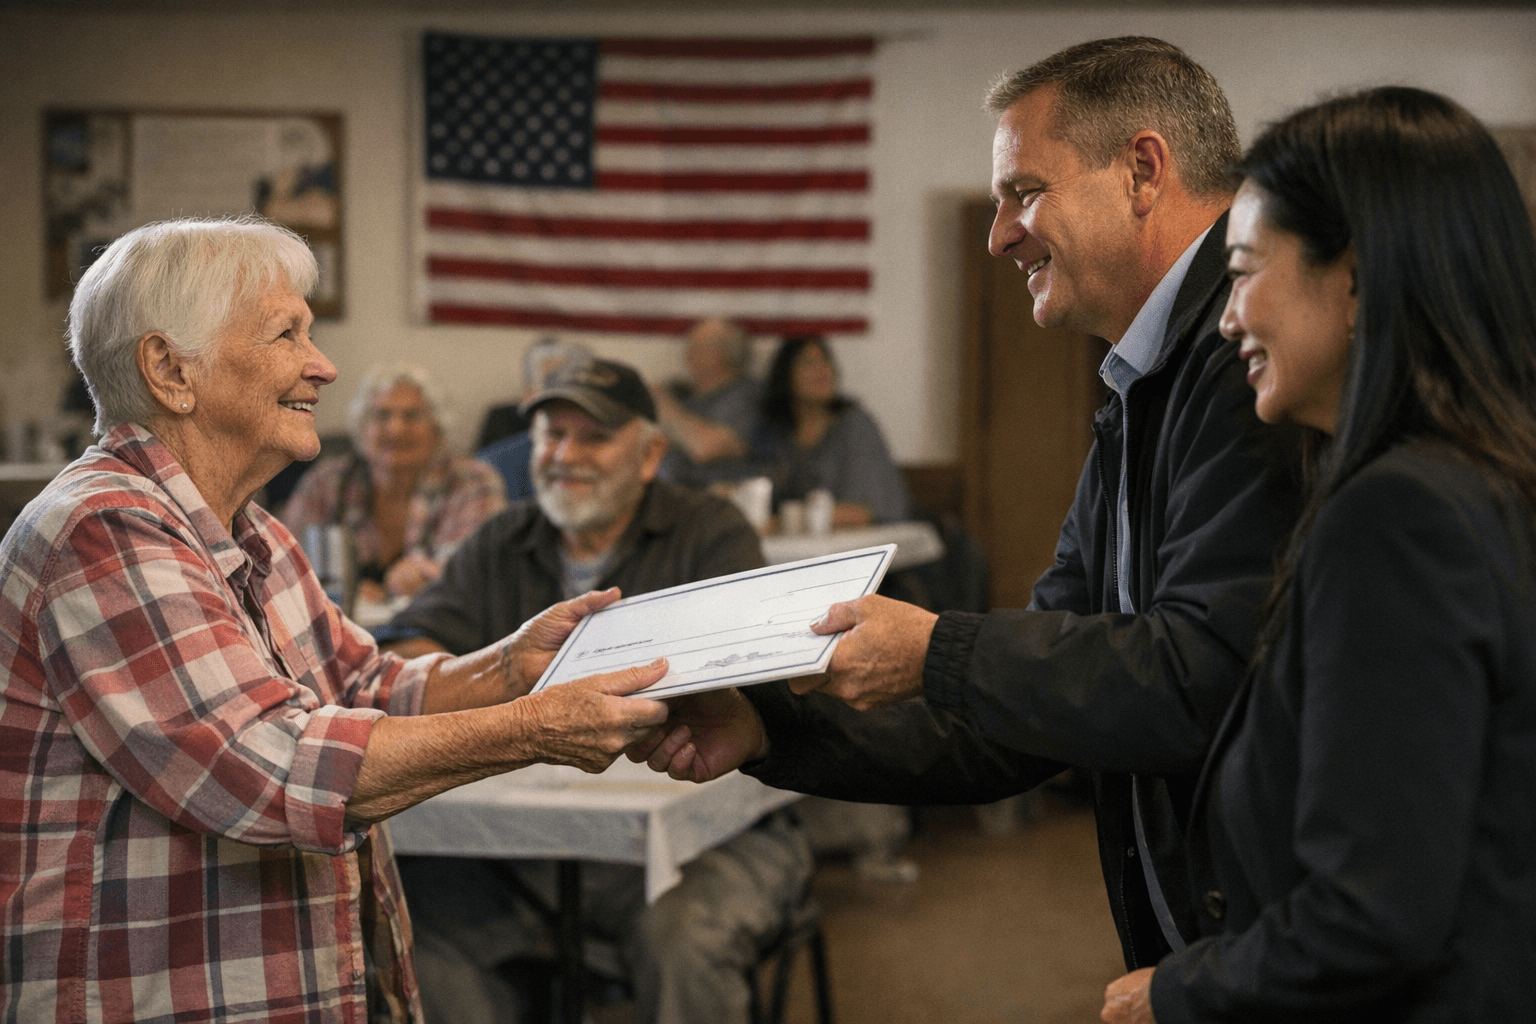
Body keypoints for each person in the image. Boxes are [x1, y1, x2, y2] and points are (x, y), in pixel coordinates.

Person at [635, 36, 1308, 974]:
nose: (998, 236)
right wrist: (769, 728)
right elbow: (1032, 709)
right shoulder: (1140, 382)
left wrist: (937, 651)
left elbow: (1204, 679)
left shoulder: (1246, 368)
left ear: (1143, 170)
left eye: (1023, 192)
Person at [0, 216, 673, 1024]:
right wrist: (533, 726)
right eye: (287, 334)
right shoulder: (101, 528)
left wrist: (507, 668)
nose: (322, 367)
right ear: (171, 370)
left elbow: (367, 684)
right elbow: (275, 765)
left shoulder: (253, 530)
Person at [1099, 86, 1536, 1024]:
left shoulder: (1397, 516)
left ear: (1359, 276)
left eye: (1246, 270)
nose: (1225, 318)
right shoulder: (1480, 480)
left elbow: (1373, 915)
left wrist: (1178, 992)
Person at [376, 359, 814, 1024]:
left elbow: (756, 684)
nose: (565, 456)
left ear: (650, 455)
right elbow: (408, 656)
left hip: (711, 833)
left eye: (594, 437)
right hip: (526, 850)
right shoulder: (500, 540)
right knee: (407, 923)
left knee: (683, 939)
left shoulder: (710, 532)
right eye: (552, 435)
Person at [281, 364, 506, 603]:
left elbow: (477, 570)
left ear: (437, 427)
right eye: (382, 415)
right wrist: (341, 592)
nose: (395, 429)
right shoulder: (325, 482)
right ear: (361, 427)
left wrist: (424, 575)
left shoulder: (473, 481)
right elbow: (283, 562)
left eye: (411, 416)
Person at [752, 333, 910, 527]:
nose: (821, 371)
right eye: (808, 363)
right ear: (786, 375)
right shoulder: (778, 436)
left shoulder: (855, 425)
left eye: (825, 362)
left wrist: (784, 521)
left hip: (871, 547)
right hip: (805, 548)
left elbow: (867, 511)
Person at [477, 336, 594, 500]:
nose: (565, 403)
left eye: (576, 389)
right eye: (552, 388)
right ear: (528, 396)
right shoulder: (490, 468)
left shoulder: (612, 455)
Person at [654, 317, 763, 488]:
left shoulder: (746, 395)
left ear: (725, 353)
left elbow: (706, 448)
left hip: (713, 500)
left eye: (698, 347)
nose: (688, 355)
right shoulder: (684, 396)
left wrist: (663, 405)